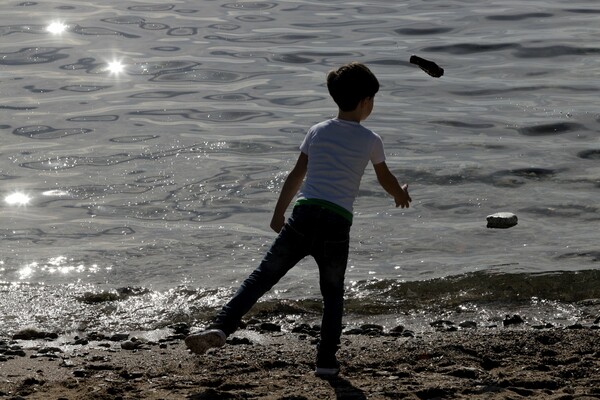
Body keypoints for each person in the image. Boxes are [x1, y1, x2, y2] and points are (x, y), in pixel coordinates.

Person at [185, 62, 411, 376]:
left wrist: (278, 213)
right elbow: (384, 177)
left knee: (261, 279)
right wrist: (399, 193)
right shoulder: (371, 139)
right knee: (332, 294)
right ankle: (326, 363)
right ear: (365, 102)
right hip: (336, 224)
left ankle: (221, 328)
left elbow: (296, 175)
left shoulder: (317, 131)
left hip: (303, 216)